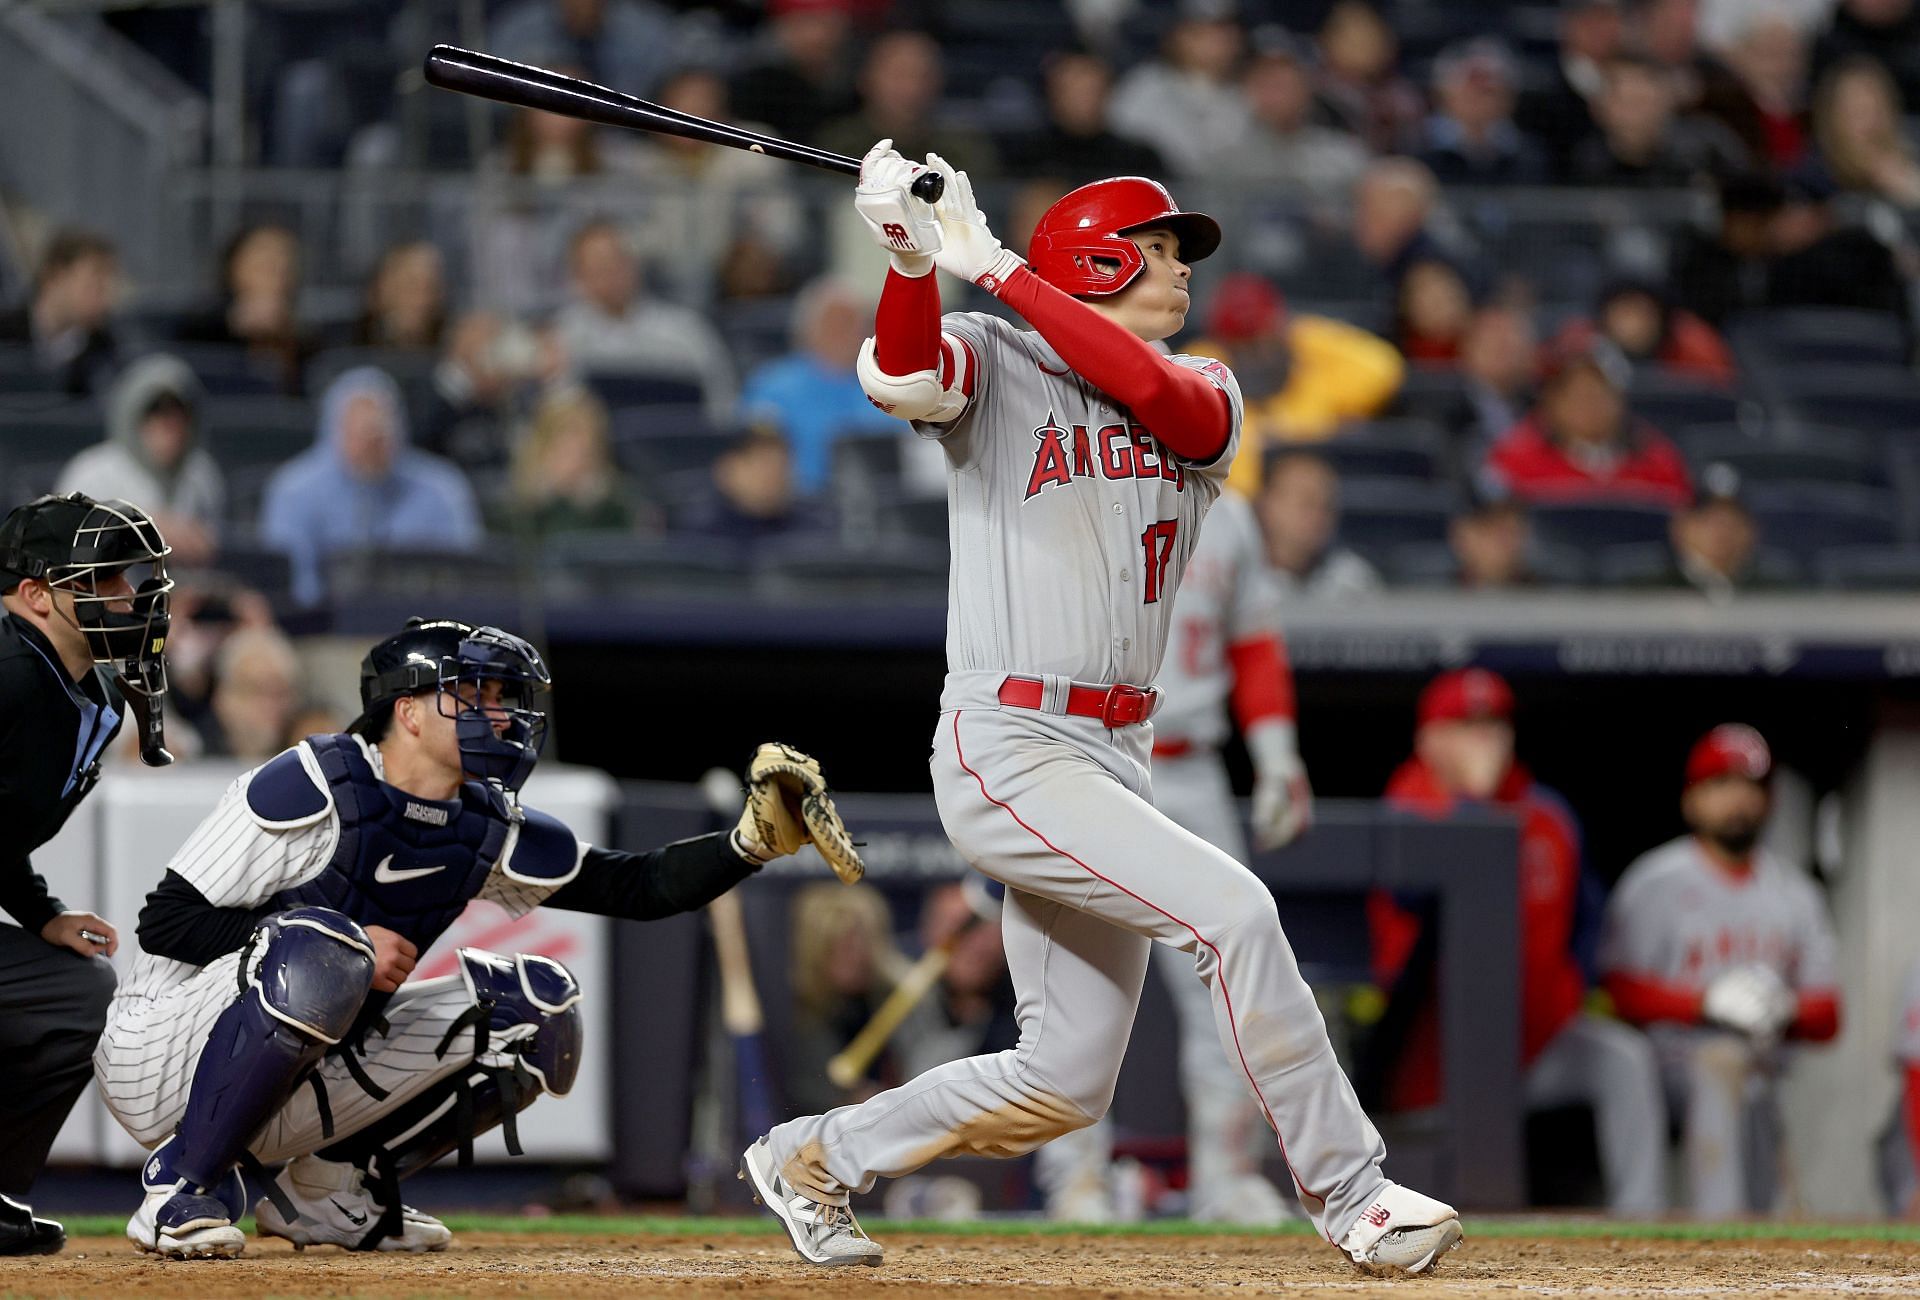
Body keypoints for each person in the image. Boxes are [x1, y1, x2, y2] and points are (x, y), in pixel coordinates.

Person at [736, 148, 1463, 1275]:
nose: (1180, 268)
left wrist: (1002, 266)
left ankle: (813, 1156)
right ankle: (1352, 1194)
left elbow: (1160, 397)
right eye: (1162, 247)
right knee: (1236, 913)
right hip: (1009, 739)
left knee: (1063, 1081)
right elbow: (901, 370)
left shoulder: (1210, 387)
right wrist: (910, 257)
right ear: (1101, 257)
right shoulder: (999, 354)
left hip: (1114, 752)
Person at [95, 617, 864, 1258]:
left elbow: (636, 887)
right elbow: (166, 923)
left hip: (292, 1075)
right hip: (160, 1052)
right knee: (324, 947)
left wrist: (749, 845)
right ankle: (179, 1188)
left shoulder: (480, 825)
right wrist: (339, 940)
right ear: (409, 711)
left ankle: (326, 1195)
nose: (498, 713)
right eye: (474, 693)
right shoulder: (314, 782)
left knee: (533, 1010)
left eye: (503, 697)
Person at [1035, 490, 1312, 1226]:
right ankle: (1078, 1177)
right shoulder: (1071, 485)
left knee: (1230, 980)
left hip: (1192, 764)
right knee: (1080, 975)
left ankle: (1227, 1175)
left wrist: (1277, 756)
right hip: (1090, 755)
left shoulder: (1231, 510)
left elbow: (1253, 642)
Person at [1369, 670, 1667, 1216]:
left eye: (1494, 725)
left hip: (1535, 1043)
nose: (1485, 739)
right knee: (1457, 1209)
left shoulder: (1548, 814)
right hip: (1436, 1064)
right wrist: (1475, 802)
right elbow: (1412, 894)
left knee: (1624, 1061)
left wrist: (1566, 992)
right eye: (1465, 725)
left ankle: (1642, 1221)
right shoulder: (1406, 804)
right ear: (1428, 739)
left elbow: (1587, 918)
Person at [0, 492, 173, 1254]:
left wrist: (39, 913)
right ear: (35, 596)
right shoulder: (6, 673)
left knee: (76, 991)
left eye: (126, 577)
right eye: (100, 580)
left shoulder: (90, 692)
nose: (126, 596)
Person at [1600, 724, 1843, 1218]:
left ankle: (1751, 1246)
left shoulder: (1794, 893)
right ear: (1691, 800)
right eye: (1721, 784)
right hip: (1663, 1066)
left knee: (1737, 1073)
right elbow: (1615, 992)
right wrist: (1704, 1002)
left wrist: (1786, 1007)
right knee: (1717, 1059)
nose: (1739, 798)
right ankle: (1714, 1224)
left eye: (1751, 786)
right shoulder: (1656, 881)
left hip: (1760, 1069)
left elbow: (1830, 1015)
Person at [258, 367, 483, 606]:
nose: (372, 446)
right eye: (359, 433)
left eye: (380, 434)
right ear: (333, 431)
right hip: (326, 629)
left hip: (420, 627)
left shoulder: (442, 489)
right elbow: (292, 585)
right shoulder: (294, 491)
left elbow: (467, 576)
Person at [1188, 272, 1403, 495]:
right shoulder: (1208, 373)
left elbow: (1384, 367)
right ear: (1221, 343)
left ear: (1280, 328)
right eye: (1242, 344)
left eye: (1262, 338)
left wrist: (1303, 335)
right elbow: (1240, 485)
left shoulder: (1310, 361)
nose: (1256, 354)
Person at [551, 219, 737, 421]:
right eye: (599, 266)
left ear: (634, 262)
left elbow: (723, 405)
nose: (612, 274)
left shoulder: (686, 331)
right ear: (579, 277)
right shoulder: (562, 337)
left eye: (618, 260)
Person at [56, 354, 225, 568]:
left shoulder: (202, 473)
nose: (169, 423)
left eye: (179, 412)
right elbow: (66, 548)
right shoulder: (92, 469)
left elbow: (213, 550)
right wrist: (141, 530)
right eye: (155, 410)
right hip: (107, 590)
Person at [738, 277, 902, 495]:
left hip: (876, 506)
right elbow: (754, 462)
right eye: (835, 323)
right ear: (808, 329)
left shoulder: (887, 389)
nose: (846, 334)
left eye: (853, 323)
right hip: (796, 508)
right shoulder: (771, 386)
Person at [1482, 340, 1693, 509]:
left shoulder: (1658, 463)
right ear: (1551, 402)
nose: (1589, 405)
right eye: (1576, 395)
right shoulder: (1515, 462)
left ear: (1620, 400)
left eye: (1600, 394)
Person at [815, 31, 999, 179]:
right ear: (866, 79)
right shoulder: (837, 145)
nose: (911, 88)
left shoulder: (965, 150)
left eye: (923, 76)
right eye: (899, 75)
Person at [1212, 35, 1370, 193]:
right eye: (1266, 82)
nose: (1275, 94)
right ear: (1248, 88)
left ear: (1308, 86)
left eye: (1284, 82)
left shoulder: (1343, 157)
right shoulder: (1226, 161)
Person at [1107, 0, 1249, 174]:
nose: (1217, 42)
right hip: (1162, 193)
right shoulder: (1143, 88)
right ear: (1178, 36)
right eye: (1201, 33)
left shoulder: (1248, 91)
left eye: (1225, 32)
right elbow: (1124, 153)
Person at [176, 223, 315, 395]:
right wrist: (232, 321)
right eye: (266, 264)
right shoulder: (203, 325)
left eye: (285, 264)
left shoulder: (307, 341)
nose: (278, 270)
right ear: (235, 266)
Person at [1568, 53, 1748, 186]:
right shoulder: (1583, 165)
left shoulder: (1707, 149)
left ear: (1666, 103)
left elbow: (1752, 196)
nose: (1637, 115)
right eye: (1627, 102)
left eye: (1644, 101)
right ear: (1599, 108)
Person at [1003, 49, 1167, 184]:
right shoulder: (1024, 156)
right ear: (1053, 90)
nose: (1083, 98)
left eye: (1091, 89)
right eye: (1074, 87)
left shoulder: (1138, 158)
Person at [0, 229, 121, 395]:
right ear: (55, 276)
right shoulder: (4, 331)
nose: (106, 299)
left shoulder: (106, 351)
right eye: (95, 284)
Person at [1550, 280, 1736, 386]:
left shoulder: (1690, 347)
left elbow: (1721, 390)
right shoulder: (1581, 348)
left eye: (1643, 313)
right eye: (1626, 312)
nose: (1634, 323)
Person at [506, 386, 635, 538]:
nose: (575, 458)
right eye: (564, 448)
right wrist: (553, 497)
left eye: (583, 449)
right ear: (543, 448)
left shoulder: (617, 505)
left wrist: (584, 500)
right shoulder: (518, 508)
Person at [1516, 0, 1624, 179]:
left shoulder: (1634, 81)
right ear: (1568, 25)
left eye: (1608, 19)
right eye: (1590, 21)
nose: (1600, 31)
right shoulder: (1544, 93)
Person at [1417, 38, 1548, 185]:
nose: (1478, 99)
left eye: (1488, 92)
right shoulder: (1416, 147)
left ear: (1510, 98)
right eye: (1469, 90)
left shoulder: (1529, 156)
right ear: (1443, 94)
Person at [1256, 450, 1384, 599]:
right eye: (1307, 503)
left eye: (1327, 505)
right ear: (1267, 504)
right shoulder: (1235, 576)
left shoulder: (1355, 581)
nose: (1318, 515)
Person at [730, 0, 858, 146]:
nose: (816, 36)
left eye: (825, 22)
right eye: (804, 22)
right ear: (780, 28)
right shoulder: (756, 86)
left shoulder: (857, 84)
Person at [674, 428, 828, 548]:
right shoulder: (699, 534)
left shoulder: (812, 531)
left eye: (780, 465)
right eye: (760, 465)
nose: (771, 476)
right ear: (726, 469)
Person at [1806, 56, 1920, 210]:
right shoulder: (1817, 178)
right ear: (1833, 118)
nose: (1871, 124)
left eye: (1877, 110)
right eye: (1857, 113)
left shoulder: (1913, 139)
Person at [1312, 0, 1425, 153]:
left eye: (1371, 34)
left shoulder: (1403, 98)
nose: (1363, 45)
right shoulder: (1314, 94)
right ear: (1326, 40)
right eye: (1352, 37)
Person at [202, 624, 303, 763]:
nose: (270, 705)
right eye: (256, 690)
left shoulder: (306, 759)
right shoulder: (192, 755)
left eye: (281, 692)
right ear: (222, 697)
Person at [348, 241, 448, 352]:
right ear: (381, 289)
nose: (422, 299)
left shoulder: (451, 341)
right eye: (411, 285)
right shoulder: (344, 343)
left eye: (430, 287)